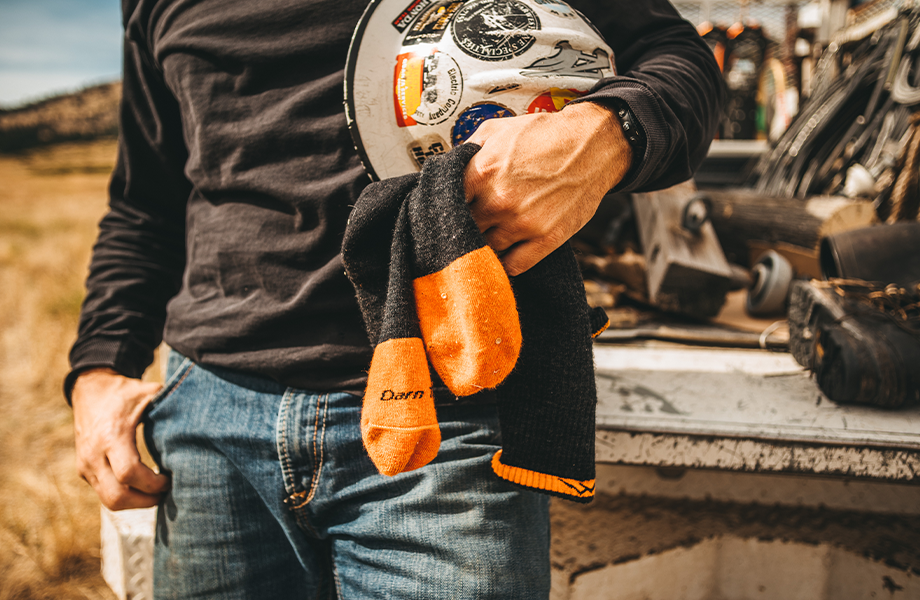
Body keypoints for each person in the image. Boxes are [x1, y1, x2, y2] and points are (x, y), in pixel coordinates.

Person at [68, 0, 723, 597]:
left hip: (449, 416)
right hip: (210, 424)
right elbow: (144, 202)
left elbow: (680, 62)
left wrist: (607, 131)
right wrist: (99, 369)